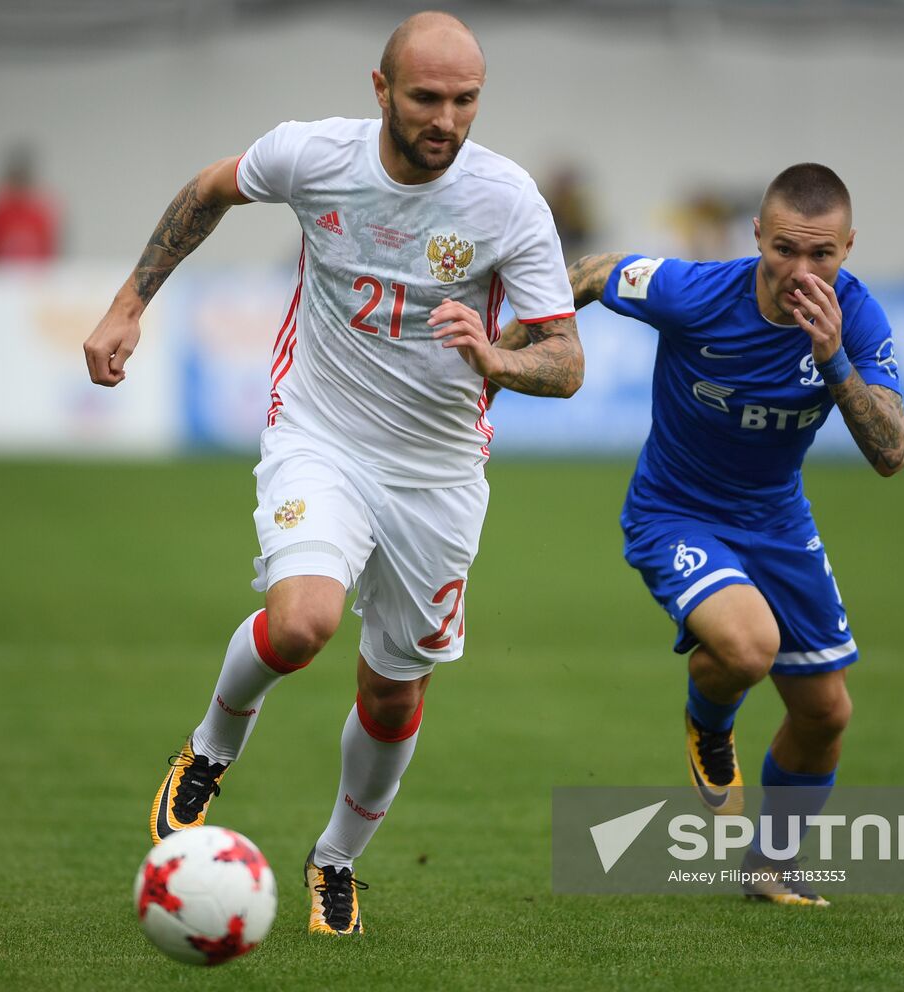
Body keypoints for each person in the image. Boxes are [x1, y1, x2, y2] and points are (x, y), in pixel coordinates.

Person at [82, 11, 581, 936]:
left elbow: (565, 360)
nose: (448, 118)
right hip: (322, 434)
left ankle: (335, 861)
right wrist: (127, 306)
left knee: (393, 689)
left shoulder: (508, 200)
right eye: (427, 97)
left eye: (466, 100)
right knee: (303, 621)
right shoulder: (313, 156)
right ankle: (209, 748)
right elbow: (208, 190)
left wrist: (499, 361)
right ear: (381, 89)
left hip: (437, 475)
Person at [500, 163, 904, 907]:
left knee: (826, 714)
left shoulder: (857, 319)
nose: (802, 270)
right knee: (748, 647)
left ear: (849, 248)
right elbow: (590, 272)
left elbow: (891, 453)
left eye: (823, 255)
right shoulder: (694, 292)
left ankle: (768, 869)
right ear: (757, 237)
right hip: (676, 512)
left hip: (779, 522)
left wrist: (835, 361)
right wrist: (501, 361)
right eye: (785, 249)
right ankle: (709, 726)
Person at [0, 144, 61, 264]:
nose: (19, 183)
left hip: (34, 280)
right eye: (16, 176)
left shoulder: (43, 215)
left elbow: (52, 255)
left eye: (23, 177)